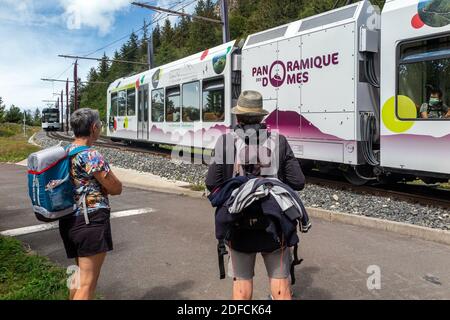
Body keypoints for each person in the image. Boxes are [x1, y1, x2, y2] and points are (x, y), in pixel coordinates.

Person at [205, 91, 306, 300]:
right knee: (281, 288)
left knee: (241, 287)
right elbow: (298, 182)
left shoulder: (225, 142)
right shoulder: (280, 141)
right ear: (261, 118)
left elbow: (211, 183)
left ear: (238, 117)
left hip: (238, 225)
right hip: (274, 225)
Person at [59, 108, 123, 300]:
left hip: (68, 221)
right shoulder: (91, 155)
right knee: (87, 283)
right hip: (90, 221)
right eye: (100, 125)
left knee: (76, 275)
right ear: (94, 127)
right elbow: (115, 188)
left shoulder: (64, 152)